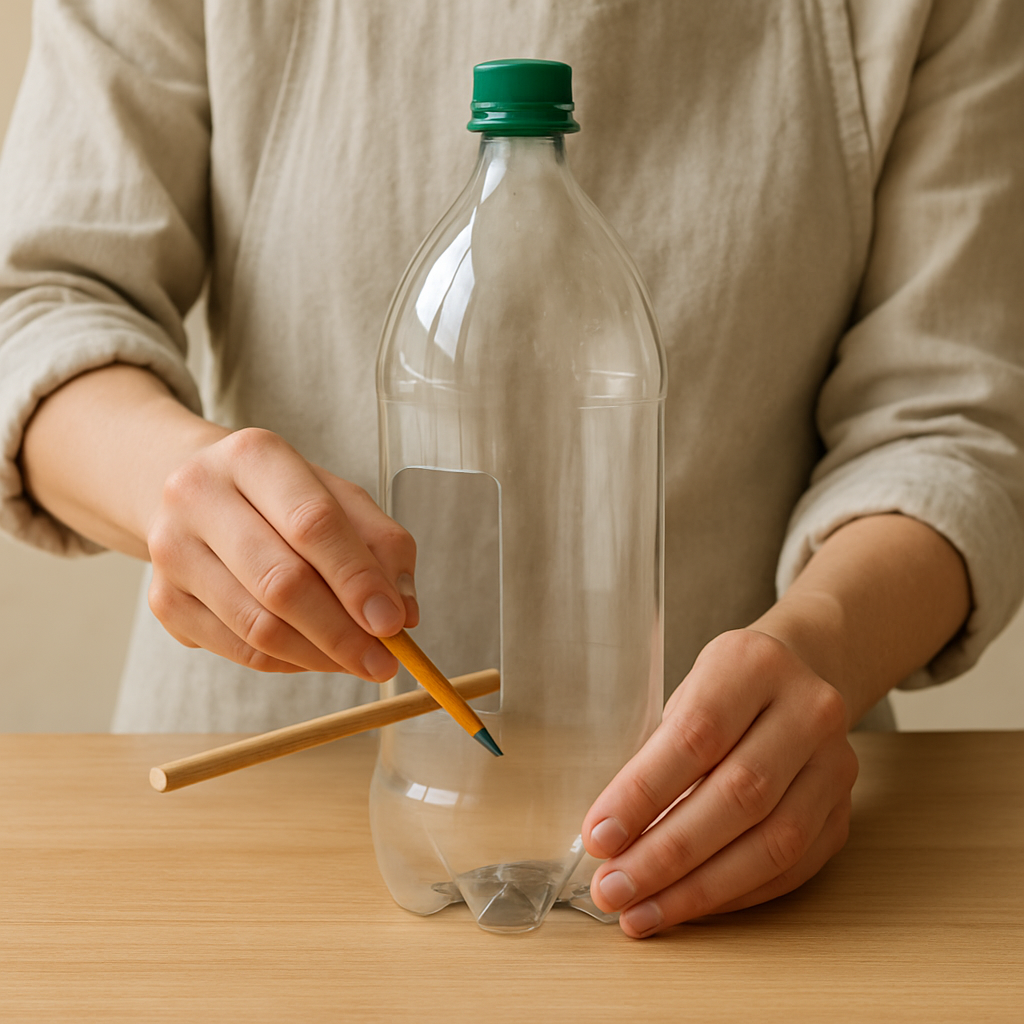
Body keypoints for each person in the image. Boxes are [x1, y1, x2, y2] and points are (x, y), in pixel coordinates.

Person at [1, 0, 1021, 939]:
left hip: (712, 830)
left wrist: (825, 646)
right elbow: (38, 301)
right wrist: (167, 477)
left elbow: (951, 421)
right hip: (262, 824)